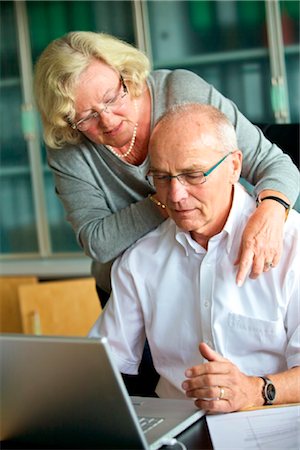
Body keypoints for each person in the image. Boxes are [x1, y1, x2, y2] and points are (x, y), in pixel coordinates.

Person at [33, 31, 299, 307]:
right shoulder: (68, 143)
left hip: (218, 272)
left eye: (112, 98)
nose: (108, 120)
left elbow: (275, 164)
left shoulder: (181, 92)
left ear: (126, 74)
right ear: (67, 120)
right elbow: (98, 242)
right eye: (86, 117)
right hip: (132, 291)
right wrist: (173, 198)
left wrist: (272, 210)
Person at [89, 103, 300, 412]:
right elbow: (103, 362)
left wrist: (255, 390)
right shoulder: (140, 258)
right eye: (161, 177)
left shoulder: (292, 243)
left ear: (234, 167)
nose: (175, 195)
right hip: (179, 427)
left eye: (192, 175)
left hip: (270, 421)